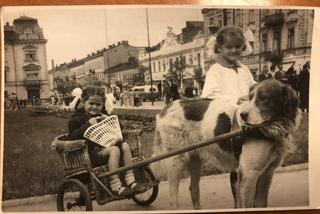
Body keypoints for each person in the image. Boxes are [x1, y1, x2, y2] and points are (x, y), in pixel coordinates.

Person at [67, 85, 140, 196]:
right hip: (90, 154)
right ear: (83, 102)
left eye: (98, 104)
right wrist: (87, 124)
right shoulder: (76, 118)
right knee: (114, 150)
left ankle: (130, 179)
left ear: (102, 104)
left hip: (106, 149)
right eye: (91, 103)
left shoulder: (102, 115)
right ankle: (116, 185)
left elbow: (118, 130)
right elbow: (72, 137)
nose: (95, 107)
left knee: (124, 145)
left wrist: (109, 120)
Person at [201, 26, 256, 104]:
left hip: (244, 112)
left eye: (238, 47)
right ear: (219, 48)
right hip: (226, 113)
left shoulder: (243, 69)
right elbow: (210, 95)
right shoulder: (216, 70)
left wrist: (257, 88)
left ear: (243, 47)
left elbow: (252, 86)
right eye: (229, 47)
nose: (234, 50)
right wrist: (236, 100)